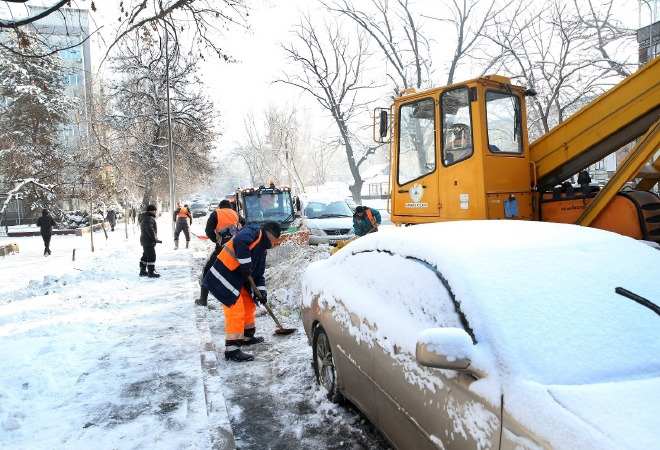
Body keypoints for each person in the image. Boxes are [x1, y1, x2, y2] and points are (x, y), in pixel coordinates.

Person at [202, 221, 281, 362]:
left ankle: (247, 336)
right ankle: (232, 349)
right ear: (271, 235)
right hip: (225, 274)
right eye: (276, 241)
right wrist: (246, 264)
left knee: (249, 303)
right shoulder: (254, 231)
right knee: (235, 309)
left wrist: (262, 293)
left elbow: (258, 275)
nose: (276, 244)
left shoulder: (262, 250)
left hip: (238, 280)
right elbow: (239, 241)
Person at [196, 200, 241, 307]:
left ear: (220, 207)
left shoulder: (216, 213)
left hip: (222, 249)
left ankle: (203, 299)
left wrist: (216, 240)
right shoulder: (236, 214)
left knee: (207, 270)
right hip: (236, 248)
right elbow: (243, 227)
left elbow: (208, 231)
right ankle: (237, 300)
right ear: (230, 207)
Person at [139, 204, 162, 278]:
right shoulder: (149, 218)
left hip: (145, 240)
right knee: (152, 256)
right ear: (152, 211)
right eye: (155, 211)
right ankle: (151, 273)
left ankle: (142, 271)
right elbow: (150, 230)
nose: (155, 212)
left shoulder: (145, 217)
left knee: (145, 256)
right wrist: (154, 239)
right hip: (148, 241)